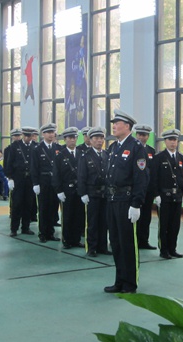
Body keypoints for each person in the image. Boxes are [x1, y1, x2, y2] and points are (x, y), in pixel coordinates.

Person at [104, 110, 148, 294]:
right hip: (112, 199)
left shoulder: (136, 147)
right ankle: (119, 280)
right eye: (113, 123)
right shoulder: (114, 147)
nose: (114, 126)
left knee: (128, 243)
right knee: (115, 241)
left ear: (127, 126)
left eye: (117, 123)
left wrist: (136, 204)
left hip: (127, 200)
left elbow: (141, 177)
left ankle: (130, 283)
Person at [152, 129, 183, 259]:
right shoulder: (159, 157)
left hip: (177, 196)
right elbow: (154, 178)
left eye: (175, 140)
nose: (173, 142)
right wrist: (156, 195)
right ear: (165, 141)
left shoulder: (181, 158)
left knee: (175, 224)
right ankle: (164, 250)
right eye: (170, 140)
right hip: (164, 196)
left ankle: (173, 248)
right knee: (164, 224)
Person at [78, 126, 109, 257]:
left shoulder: (106, 155)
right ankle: (91, 247)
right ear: (90, 140)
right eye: (96, 138)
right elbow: (81, 176)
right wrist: (83, 193)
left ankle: (103, 246)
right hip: (91, 193)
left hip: (105, 194)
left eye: (101, 138)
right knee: (92, 222)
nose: (99, 141)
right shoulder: (85, 156)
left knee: (104, 222)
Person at [53, 127, 84, 248]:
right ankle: (66, 240)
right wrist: (59, 190)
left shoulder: (81, 154)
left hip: (79, 189)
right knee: (67, 215)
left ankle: (76, 239)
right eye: (70, 138)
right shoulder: (60, 155)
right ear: (65, 139)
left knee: (78, 215)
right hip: (66, 189)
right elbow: (56, 174)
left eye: (74, 137)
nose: (72, 140)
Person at [4, 128, 36, 237]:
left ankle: (25, 227)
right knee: (17, 204)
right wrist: (9, 178)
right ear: (23, 135)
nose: (27, 138)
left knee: (28, 204)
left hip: (30, 179)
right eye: (25, 135)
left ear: (32, 136)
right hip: (18, 179)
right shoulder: (15, 146)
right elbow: (9, 162)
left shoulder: (35, 146)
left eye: (29, 136)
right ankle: (14, 228)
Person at [31, 123, 60, 243]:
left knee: (53, 208)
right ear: (43, 134)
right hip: (43, 181)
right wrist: (35, 183)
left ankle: (50, 233)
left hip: (54, 182)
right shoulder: (37, 149)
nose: (51, 135)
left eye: (52, 132)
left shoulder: (58, 148)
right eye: (48, 132)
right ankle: (42, 233)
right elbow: (34, 167)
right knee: (43, 208)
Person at [133, 124, 157, 250]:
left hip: (148, 190)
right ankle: (134, 240)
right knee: (134, 216)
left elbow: (153, 171)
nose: (142, 137)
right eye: (140, 135)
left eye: (145, 135)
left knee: (146, 216)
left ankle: (144, 240)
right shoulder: (132, 149)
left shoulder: (151, 151)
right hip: (135, 190)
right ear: (136, 135)